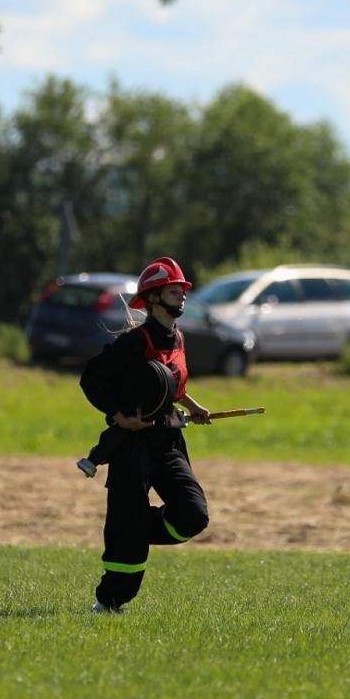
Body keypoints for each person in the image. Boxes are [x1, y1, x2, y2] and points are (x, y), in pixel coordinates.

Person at [79, 256, 213, 613]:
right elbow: (92, 378)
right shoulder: (135, 341)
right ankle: (109, 601)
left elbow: (168, 384)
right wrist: (118, 415)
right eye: (174, 291)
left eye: (183, 291)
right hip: (131, 445)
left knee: (192, 514)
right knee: (128, 520)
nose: (182, 297)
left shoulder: (179, 337)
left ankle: (133, 527)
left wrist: (194, 406)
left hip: (168, 440)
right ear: (153, 298)